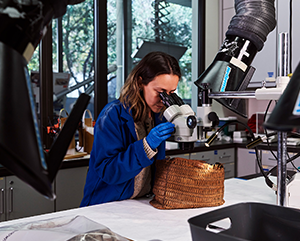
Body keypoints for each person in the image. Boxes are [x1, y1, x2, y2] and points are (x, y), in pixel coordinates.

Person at [80, 51, 181, 206]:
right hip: (106, 205)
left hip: (139, 204)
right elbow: (108, 171)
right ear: (141, 82)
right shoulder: (112, 115)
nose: (164, 100)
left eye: (171, 93)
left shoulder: (158, 117)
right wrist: (146, 147)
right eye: (160, 92)